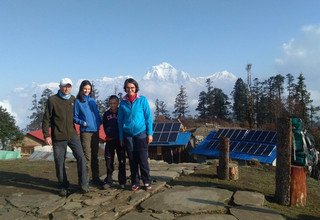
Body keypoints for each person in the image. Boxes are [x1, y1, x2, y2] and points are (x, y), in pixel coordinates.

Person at [42, 78, 89, 196]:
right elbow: (46, 118)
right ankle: (63, 186)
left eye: (69, 86)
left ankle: (83, 184)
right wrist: (46, 135)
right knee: (59, 161)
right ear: (60, 87)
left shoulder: (73, 99)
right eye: (64, 86)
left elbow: (80, 114)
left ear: (71, 87)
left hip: (73, 135)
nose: (66, 88)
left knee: (81, 158)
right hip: (58, 136)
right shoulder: (52, 100)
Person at [118, 78, 153, 191]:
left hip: (141, 133)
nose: (130, 89)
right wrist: (121, 137)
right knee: (132, 160)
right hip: (128, 135)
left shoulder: (142, 100)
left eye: (132, 87)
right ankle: (135, 182)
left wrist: (150, 133)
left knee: (142, 158)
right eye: (128, 88)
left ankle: (147, 180)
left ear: (136, 88)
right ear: (125, 89)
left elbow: (148, 117)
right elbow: (120, 121)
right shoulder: (123, 103)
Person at [73, 80, 103, 187]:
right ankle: (85, 181)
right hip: (85, 132)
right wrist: (82, 123)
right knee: (87, 157)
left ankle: (96, 178)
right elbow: (74, 117)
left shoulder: (93, 101)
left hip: (95, 131)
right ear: (81, 89)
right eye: (85, 88)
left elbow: (97, 114)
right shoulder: (78, 101)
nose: (87, 90)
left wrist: (100, 122)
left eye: (89, 89)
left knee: (95, 156)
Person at [102, 95, 126, 189]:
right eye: (111, 103)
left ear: (118, 103)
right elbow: (104, 125)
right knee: (109, 161)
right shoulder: (106, 114)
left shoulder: (121, 112)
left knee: (122, 161)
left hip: (120, 141)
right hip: (110, 141)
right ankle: (108, 180)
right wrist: (108, 134)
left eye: (114, 103)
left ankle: (122, 181)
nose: (112, 105)